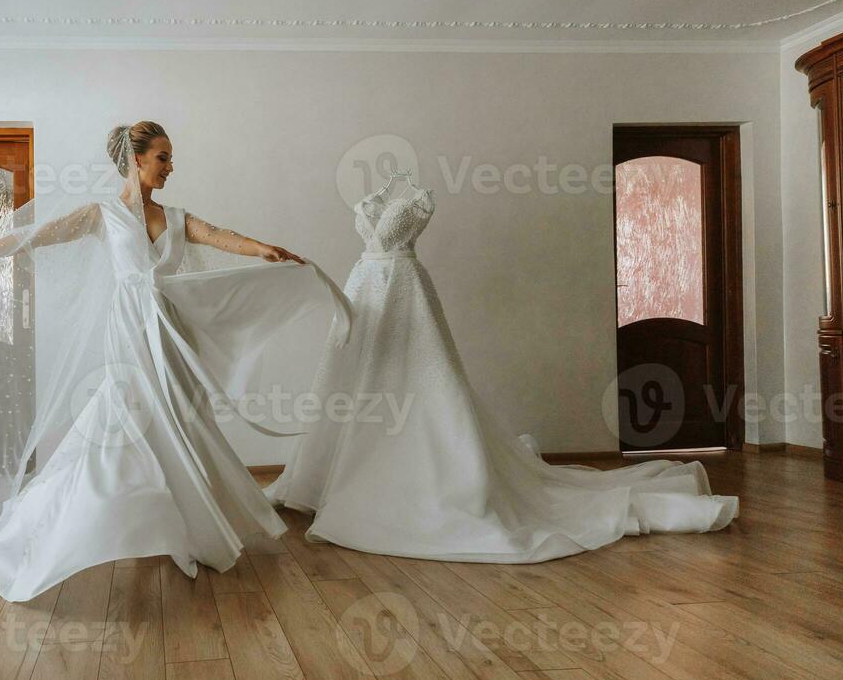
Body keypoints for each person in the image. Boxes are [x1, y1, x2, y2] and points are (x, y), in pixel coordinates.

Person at [0, 121, 351, 601]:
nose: (171, 167)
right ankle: (93, 525)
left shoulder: (175, 217)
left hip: (172, 333)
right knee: (127, 416)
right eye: (163, 157)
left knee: (179, 420)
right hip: (130, 331)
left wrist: (262, 248)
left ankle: (178, 524)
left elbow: (219, 235)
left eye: (170, 157)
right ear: (135, 159)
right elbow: (36, 236)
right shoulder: (101, 215)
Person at [269, 171, 738, 562]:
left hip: (405, 289)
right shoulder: (378, 197)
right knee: (350, 382)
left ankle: (420, 482)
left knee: (419, 385)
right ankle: (323, 477)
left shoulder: (418, 198)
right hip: (365, 288)